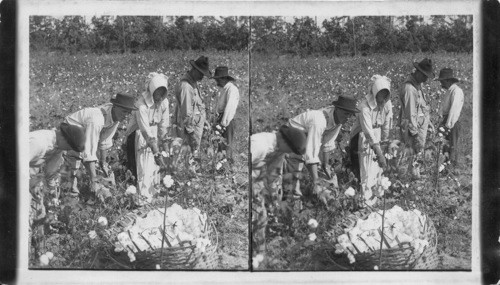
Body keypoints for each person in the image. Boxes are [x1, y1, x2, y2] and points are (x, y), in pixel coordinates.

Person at [284, 96, 359, 198]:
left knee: (329, 176)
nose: (348, 118)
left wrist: (325, 165)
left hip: (306, 141)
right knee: (293, 180)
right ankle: (290, 201)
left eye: (350, 115)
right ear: (337, 109)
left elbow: (327, 143)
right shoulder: (319, 120)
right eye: (346, 114)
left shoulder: (338, 121)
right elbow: (311, 152)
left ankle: (329, 200)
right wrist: (316, 180)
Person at [251, 125, 307, 260]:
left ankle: (259, 252)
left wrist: (274, 200)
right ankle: (257, 255)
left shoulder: (279, 150)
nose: (290, 153)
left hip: (257, 178)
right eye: (291, 149)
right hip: (247, 179)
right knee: (259, 216)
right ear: (284, 141)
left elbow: (273, 176)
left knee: (263, 214)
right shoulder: (259, 145)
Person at [64, 93, 137, 196]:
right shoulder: (97, 119)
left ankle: (96, 193)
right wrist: (94, 179)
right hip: (69, 132)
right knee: (74, 165)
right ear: (115, 106)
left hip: (83, 135)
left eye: (128, 113)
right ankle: (71, 196)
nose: (126, 115)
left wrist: (103, 164)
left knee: (98, 166)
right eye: (124, 111)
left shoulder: (115, 118)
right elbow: (89, 150)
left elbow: (104, 141)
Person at [124, 72, 170, 203]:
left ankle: (153, 196)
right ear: (151, 91)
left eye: (163, 92)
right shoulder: (141, 105)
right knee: (143, 168)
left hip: (153, 133)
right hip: (138, 135)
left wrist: (165, 149)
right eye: (157, 92)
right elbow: (145, 131)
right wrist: (156, 152)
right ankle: (142, 200)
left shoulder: (164, 103)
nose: (160, 96)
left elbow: (163, 126)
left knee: (155, 168)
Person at [349, 75, 393, 206]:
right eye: (381, 94)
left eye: (386, 95)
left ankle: (377, 195)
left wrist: (385, 144)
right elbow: (368, 132)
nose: (384, 98)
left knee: (378, 168)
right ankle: (366, 201)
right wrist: (379, 152)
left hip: (377, 134)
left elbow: (386, 124)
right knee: (367, 168)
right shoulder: (365, 107)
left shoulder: (387, 104)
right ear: (375, 93)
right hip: (362, 137)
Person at [172, 56, 211, 172]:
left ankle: (191, 173)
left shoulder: (193, 82)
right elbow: (186, 112)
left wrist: (205, 120)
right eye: (201, 73)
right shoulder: (186, 86)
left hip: (196, 123)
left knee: (193, 152)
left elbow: (198, 104)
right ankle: (184, 176)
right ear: (194, 70)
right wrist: (190, 131)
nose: (202, 77)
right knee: (186, 151)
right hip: (189, 127)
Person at [398, 58, 435, 177]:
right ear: (418, 72)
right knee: (410, 153)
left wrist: (428, 122)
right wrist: (414, 134)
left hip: (420, 124)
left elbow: (421, 106)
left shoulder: (417, 85)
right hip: (413, 128)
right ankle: (406, 180)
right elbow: (410, 113)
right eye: (424, 76)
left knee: (417, 155)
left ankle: (414, 176)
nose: (425, 79)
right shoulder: (410, 88)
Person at [435, 68, 464, 166]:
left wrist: (448, 125)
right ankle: (445, 167)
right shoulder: (450, 91)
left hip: (452, 122)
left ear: (447, 80)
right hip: (447, 121)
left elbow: (454, 110)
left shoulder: (456, 91)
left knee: (452, 145)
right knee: (445, 146)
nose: (441, 84)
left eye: (442, 81)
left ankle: (452, 168)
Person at [212, 66, 240, 165]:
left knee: (227, 144)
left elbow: (230, 107)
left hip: (228, 119)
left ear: (223, 78)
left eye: (218, 79)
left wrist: (224, 123)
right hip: (221, 118)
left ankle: (227, 168)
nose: (216, 82)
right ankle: (221, 167)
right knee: (220, 144)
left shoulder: (231, 89)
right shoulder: (224, 89)